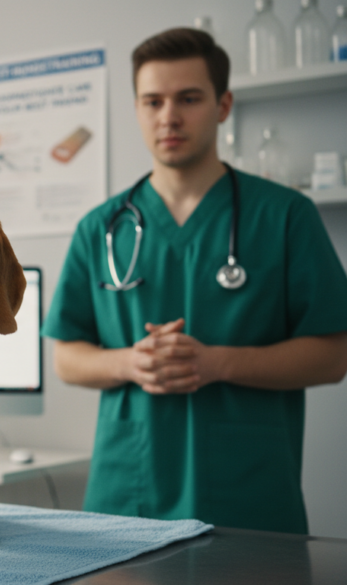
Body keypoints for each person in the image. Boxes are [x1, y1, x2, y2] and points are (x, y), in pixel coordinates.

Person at [41, 27, 347, 534]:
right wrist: (130, 362)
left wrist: (217, 362)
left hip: (248, 499)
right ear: (137, 109)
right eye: (153, 101)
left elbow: (334, 356)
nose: (169, 117)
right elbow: (67, 357)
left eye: (188, 98)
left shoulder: (286, 216)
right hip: (125, 500)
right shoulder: (100, 228)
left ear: (223, 105)